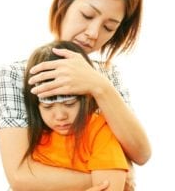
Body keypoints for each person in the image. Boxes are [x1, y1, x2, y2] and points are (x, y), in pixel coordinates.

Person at [0, 0, 151, 191]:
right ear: (64, 2)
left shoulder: (108, 76)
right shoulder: (18, 74)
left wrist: (99, 86)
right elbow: (20, 176)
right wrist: (109, 179)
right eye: (87, 15)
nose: (93, 33)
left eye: (108, 27)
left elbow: (141, 153)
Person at [24, 40, 128, 191]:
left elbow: (109, 186)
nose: (60, 116)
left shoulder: (99, 131)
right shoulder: (32, 135)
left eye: (69, 104)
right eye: (48, 106)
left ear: (87, 96)